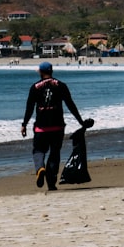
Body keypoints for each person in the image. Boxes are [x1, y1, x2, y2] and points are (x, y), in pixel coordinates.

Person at [22, 61, 91, 191]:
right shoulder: (61, 86)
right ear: (52, 71)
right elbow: (71, 105)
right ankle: (51, 184)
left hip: (41, 127)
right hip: (57, 127)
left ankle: (40, 168)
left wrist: (24, 124)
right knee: (54, 154)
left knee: (38, 150)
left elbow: (29, 108)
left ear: (41, 72)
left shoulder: (34, 87)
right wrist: (80, 122)